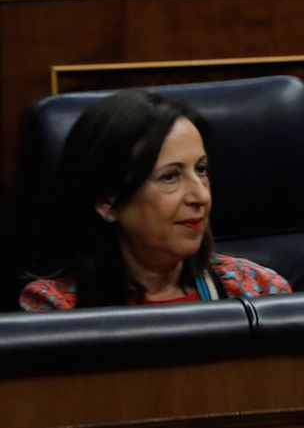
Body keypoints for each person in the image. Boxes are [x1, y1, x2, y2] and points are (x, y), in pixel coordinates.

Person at [19, 89, 289, 311]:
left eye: (201, 170)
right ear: (108, 201)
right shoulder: (55, 309)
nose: (201, 196)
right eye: (170, 177)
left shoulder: (258, 290)